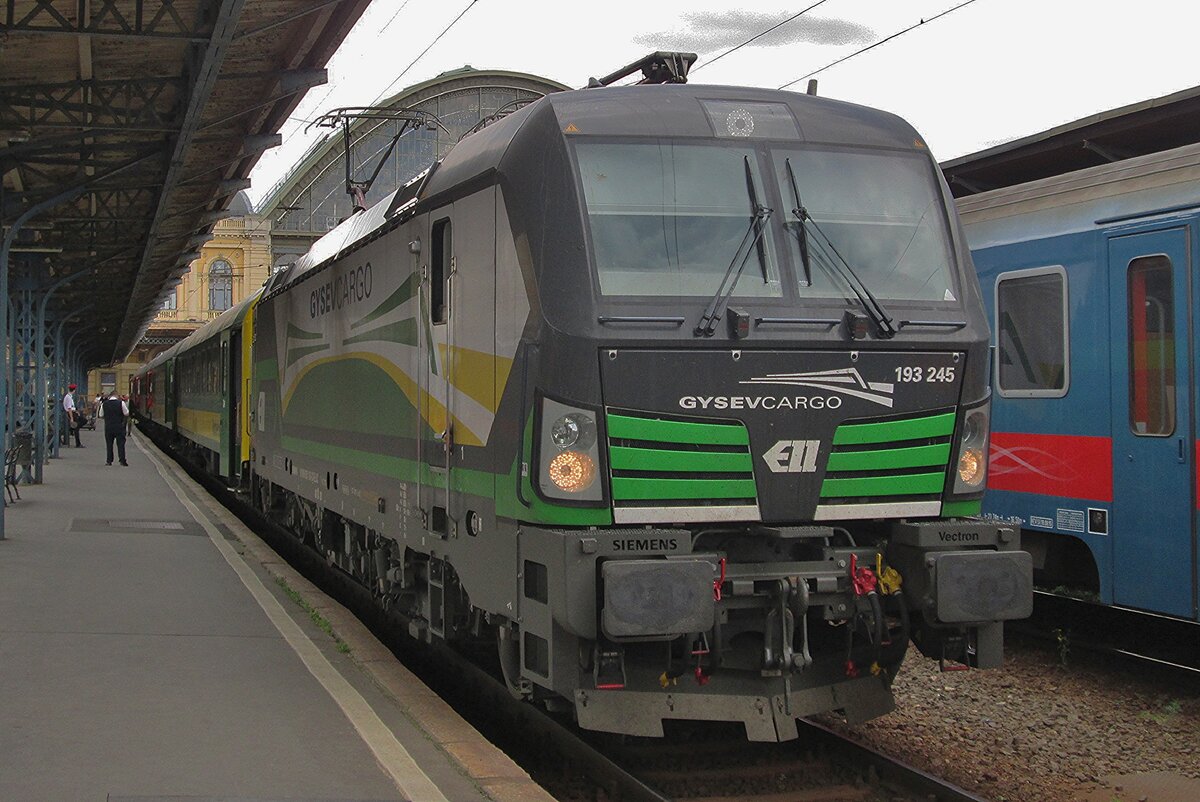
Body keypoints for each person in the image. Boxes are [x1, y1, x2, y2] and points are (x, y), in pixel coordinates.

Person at [99, 389, 129, 466]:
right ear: (116, 395)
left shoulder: (104, 404)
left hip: (108, 427)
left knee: (109, 444)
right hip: (119, 427)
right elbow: (126, 413)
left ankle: (109, 461)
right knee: (121, 444)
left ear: (110, 396)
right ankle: (122, 461)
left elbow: (101, 415)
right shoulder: (121, 403)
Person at [62, 383, 83, 448]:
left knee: (82, 422)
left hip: (73, 412)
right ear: (74, 390)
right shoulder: (68, 397)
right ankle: (78, 443)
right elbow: (69, 408)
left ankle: (72, 429)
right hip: (71, 413)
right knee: (79, 424)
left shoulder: (69, 396)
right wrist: (71, 418)